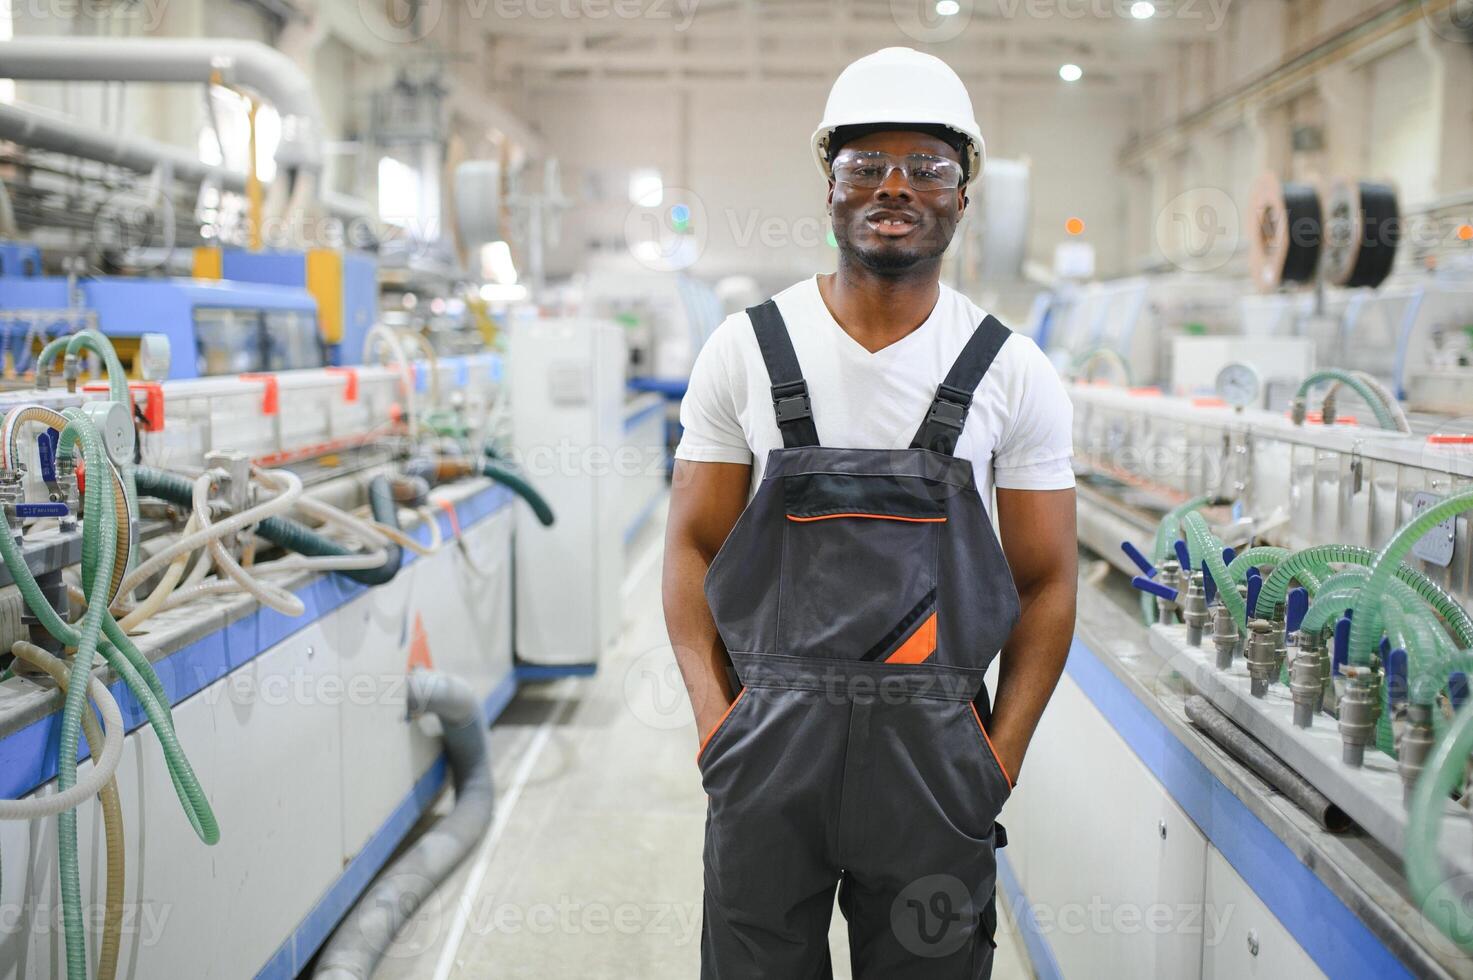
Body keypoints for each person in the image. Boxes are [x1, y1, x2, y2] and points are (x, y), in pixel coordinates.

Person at [662, 46, 1078, 979]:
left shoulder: (1009, 372)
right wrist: (713, 726)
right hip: (766, 760)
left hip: (935, 778)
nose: (895, 187)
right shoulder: (746, 350)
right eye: (866, 166)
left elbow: (1048, 581)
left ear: (961, 194)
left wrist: (995, 762)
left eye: (926, 167)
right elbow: (690, 546)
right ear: (829, 185)